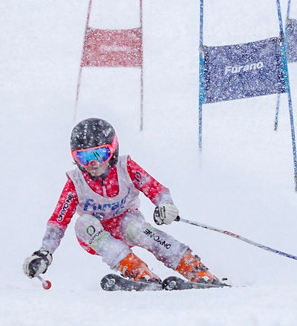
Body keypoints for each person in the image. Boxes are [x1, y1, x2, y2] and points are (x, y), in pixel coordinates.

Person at [22, 118, 223, 288]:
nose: (93, 164)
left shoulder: (125, 167)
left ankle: (193, 268)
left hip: (126, 223)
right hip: (96, 235)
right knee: (83, 223)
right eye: (84, 158)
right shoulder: (76, 182)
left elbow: (157, 190)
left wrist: (166, 205)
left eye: (100, 154)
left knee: (136, 228)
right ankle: (139, 272)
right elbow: (58, 221)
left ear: (113, 150)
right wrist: (44, 253)